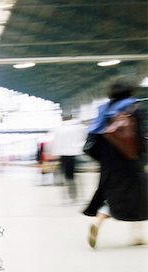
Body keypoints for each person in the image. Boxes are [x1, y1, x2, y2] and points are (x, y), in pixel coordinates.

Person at [82, 77, 147, 248]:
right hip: (129, 159)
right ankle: (137, 235)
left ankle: (98, 222)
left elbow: (94, 138)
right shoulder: (132, 107)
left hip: (108, 161)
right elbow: (139, 136)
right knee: (138, 195)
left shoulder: (104, 109)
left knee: (112, 194)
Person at [50, 113, 87, 202]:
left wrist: (55, 154)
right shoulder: (79, 127)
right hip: (76, 154)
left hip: (63, 155)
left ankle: (69, 195)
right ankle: (76, 194)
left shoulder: (58, 129)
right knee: (74, 175)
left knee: (67, 176)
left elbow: (55, 143)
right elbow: (84, 139)